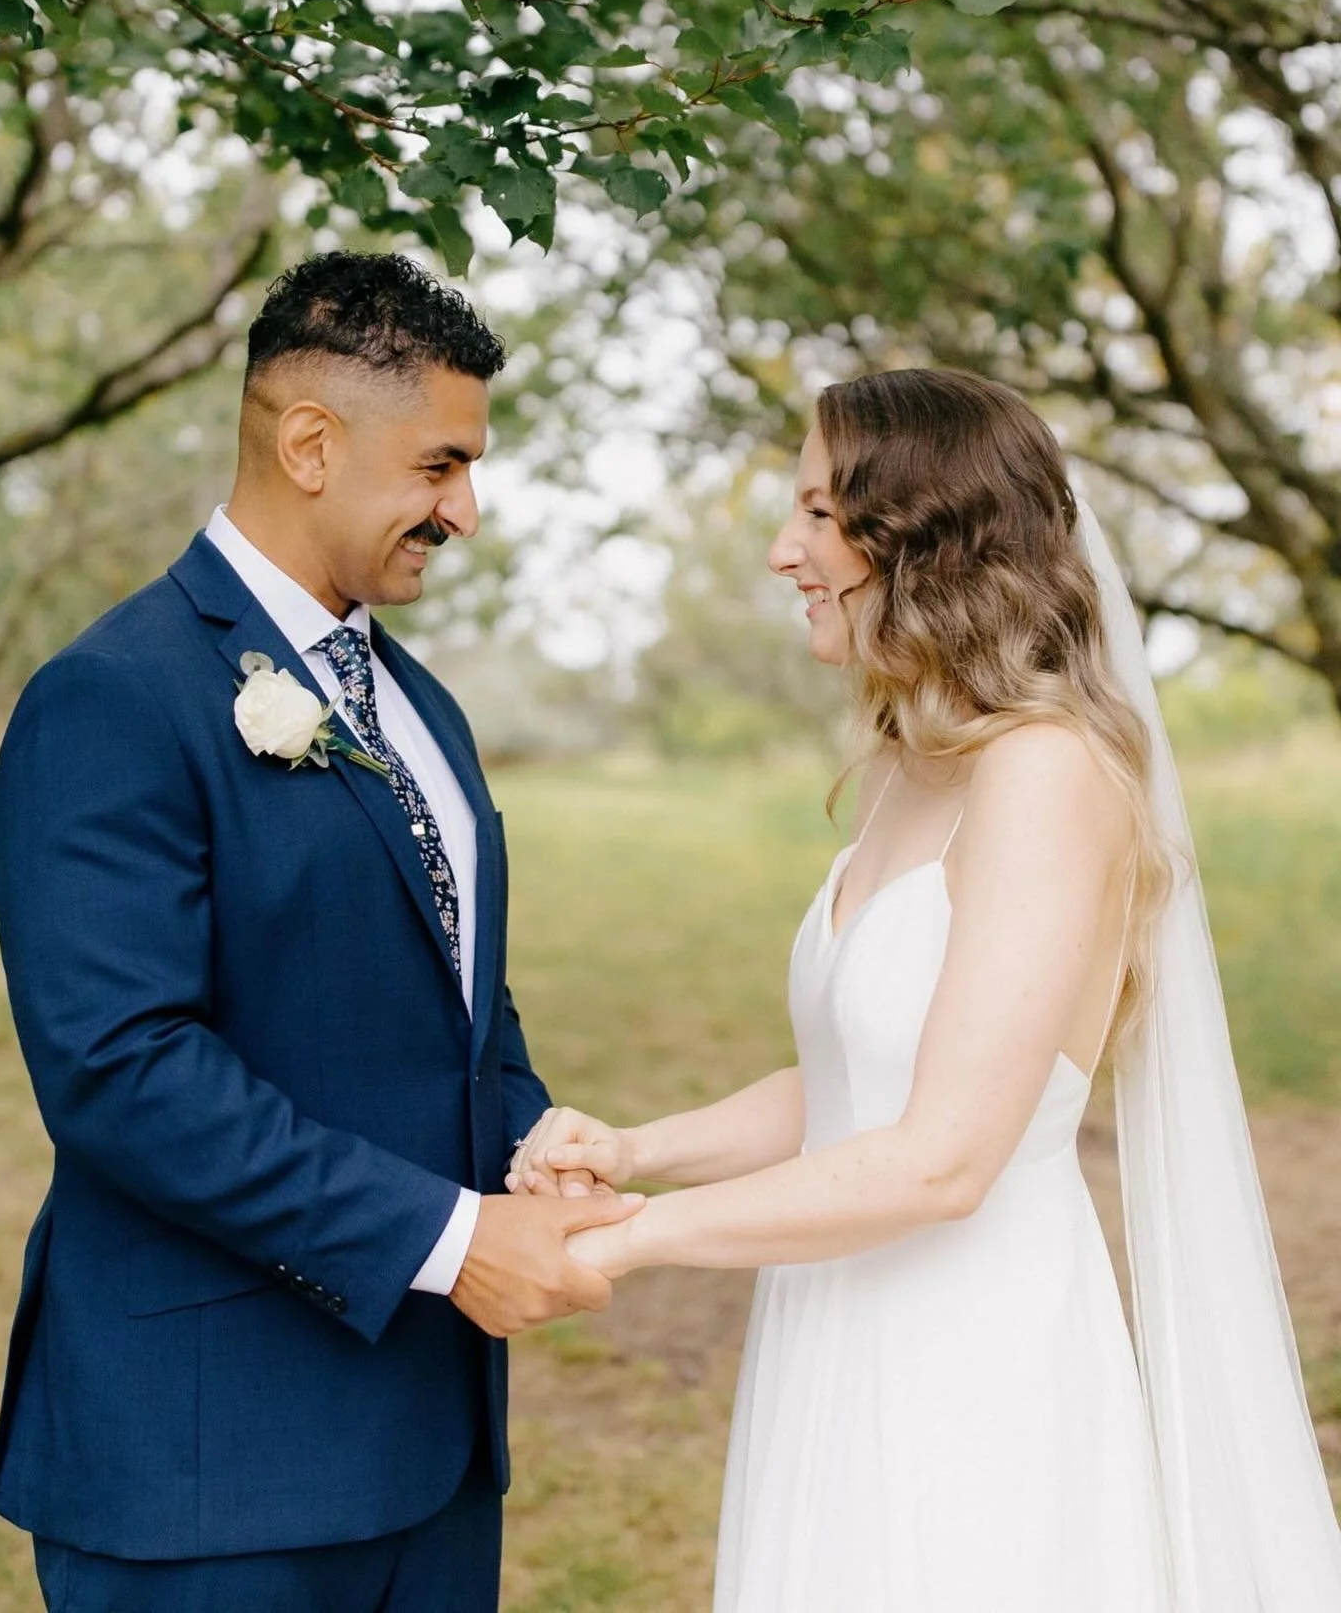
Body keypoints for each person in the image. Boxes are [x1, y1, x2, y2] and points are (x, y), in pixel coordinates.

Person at [509, 368, 1341, 1611]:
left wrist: (626, 1241)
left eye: (817, 514)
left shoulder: (1046, 777)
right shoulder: (917, 768)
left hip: (971, 1361)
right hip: (837, 1316)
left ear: (921, 538)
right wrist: (638, 1146)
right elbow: (864, 1075)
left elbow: (944, 1158)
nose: (785, 551)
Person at [0, 251, 640, 1613]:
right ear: (310, 443)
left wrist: (536, 1145)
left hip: (433, 1451)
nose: (466, 509)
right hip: (212, 1468)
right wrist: (456, 1242)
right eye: (442, 465)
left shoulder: (422, 708)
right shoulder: (113, 694)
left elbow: (455, 988)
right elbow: (123, 1070)